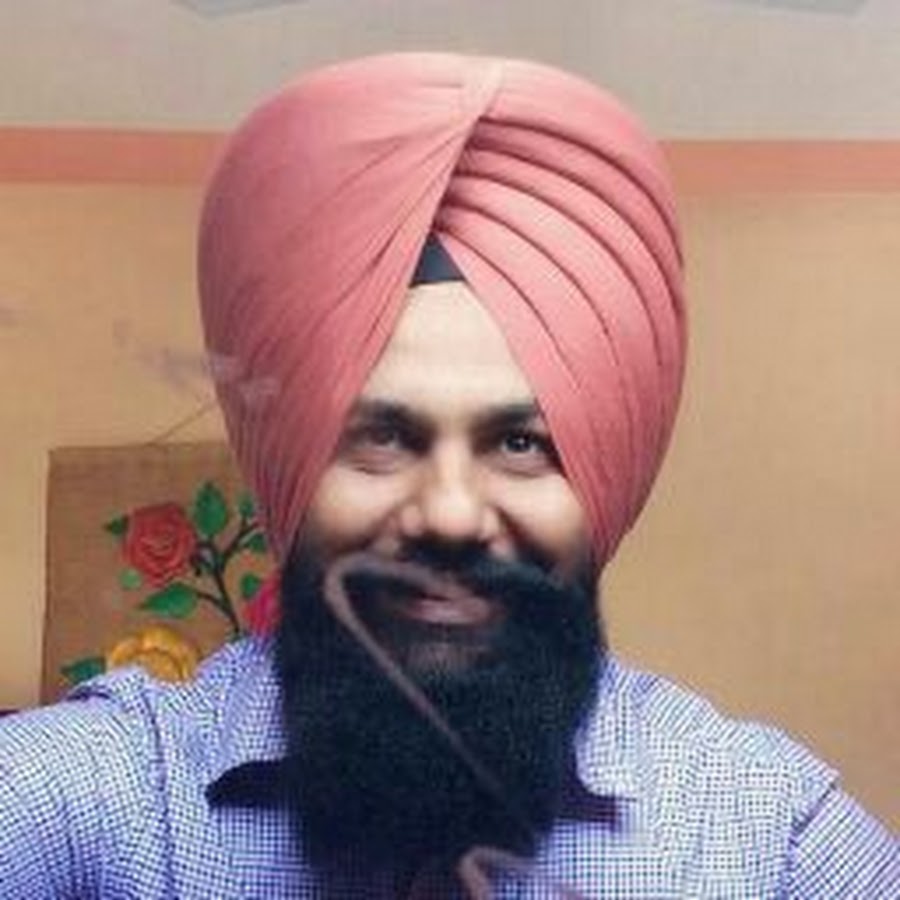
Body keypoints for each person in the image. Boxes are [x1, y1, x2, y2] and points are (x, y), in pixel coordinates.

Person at [0, 53, 896, 899]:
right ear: (293, 469)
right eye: (385, 437)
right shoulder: (109, 797)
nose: (452, 513)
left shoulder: (765, 837)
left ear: (602, 480)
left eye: (520, 444)